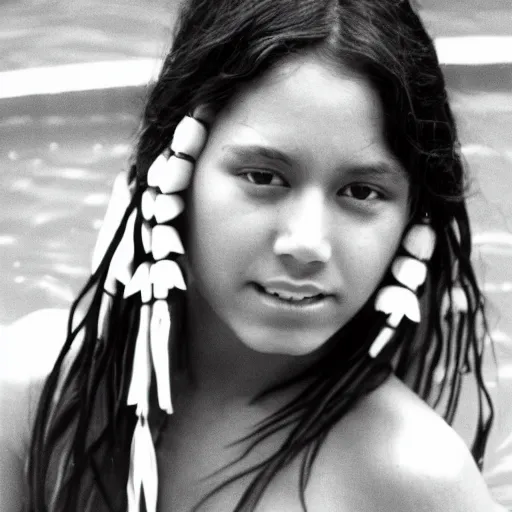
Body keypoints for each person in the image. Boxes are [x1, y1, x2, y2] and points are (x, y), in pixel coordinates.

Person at [0, 0, 509, 511]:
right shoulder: (30, 394)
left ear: (412, 217)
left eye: (361, 192)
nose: (307, 243)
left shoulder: (416, 480)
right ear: (175, 171)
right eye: (263, 177)